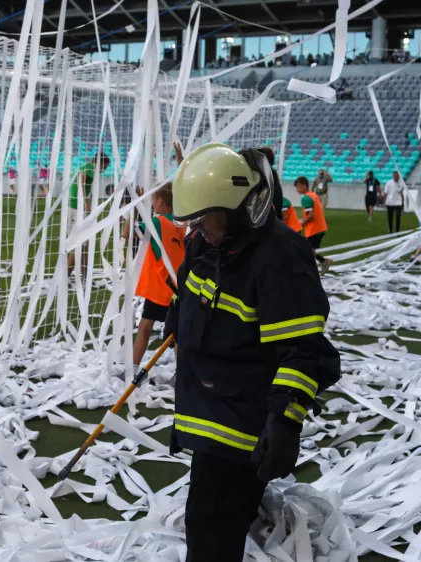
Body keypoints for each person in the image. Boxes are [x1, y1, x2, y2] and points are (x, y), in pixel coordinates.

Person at [164, 143, 341, 562]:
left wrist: (285, 422)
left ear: (239, 207)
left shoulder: (280, 256)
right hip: (207, 407)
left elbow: (303, 351)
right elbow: (191, 287)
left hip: (242, 422)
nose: (196, 226)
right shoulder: (205, 243)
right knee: (209, 522)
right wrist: (178, 314)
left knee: (209, 527)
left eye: (205, 216)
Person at [128, 182, 184, 376]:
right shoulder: (181, 222)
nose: (152, 203)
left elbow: (127, 235)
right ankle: (181, 376)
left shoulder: (157, 222)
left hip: (161, 287)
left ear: (160, 200)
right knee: (177, 334)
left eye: (153, 199)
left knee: (145, 327)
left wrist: (135, 205)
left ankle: (133, 370)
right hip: (180, 287)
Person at [67, 153, 110, 277]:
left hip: (74, 207)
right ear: (99, 162)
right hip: (77, 209)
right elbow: (82, 178)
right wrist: (86, 201)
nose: (103, 170)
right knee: (79, 245)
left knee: (84, 244)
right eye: (104, 167)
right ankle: (65, 275)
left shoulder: (85, 166)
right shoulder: (91, 168)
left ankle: (85, 276)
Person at [295, 176, 333, 273]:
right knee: (308, 250)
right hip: (319, 228)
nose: (297, 190)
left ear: (304, 186)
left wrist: (301, 224)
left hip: (314, 229)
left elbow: (311, 216)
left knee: (305, 250)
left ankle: (315, 267)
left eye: (298, 187)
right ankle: (324, 262)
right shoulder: (313, 195)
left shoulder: (306, 198)